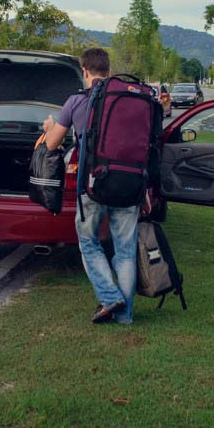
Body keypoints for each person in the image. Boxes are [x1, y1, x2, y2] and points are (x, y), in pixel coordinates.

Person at [43, 48, 145, 325]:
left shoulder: (76, 101)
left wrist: (48, 127)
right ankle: (125, 316)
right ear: (109, 71)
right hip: (131, 184)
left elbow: (52, 144)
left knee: (88, 242)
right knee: (125, 250)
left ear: (84, 71)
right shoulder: (131, 99)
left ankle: (110, 296)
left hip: (93, 186)